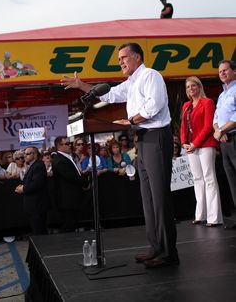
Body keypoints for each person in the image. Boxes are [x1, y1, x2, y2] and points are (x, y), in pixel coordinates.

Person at [61, 42, 179, 268]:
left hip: (156, 136)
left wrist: (131, 120)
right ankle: (156, 247)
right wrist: (81, 85)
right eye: (119, 60)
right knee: (148, 198)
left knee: (160, 197)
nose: (120, 62)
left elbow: (156, 104)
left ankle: (168, 252)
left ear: (137, 57)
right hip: (142, 139)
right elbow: (112, 95)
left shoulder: (150, 76)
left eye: (124, 58)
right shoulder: (132, 82)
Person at [180, 76, 223, 227]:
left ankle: (214, 218)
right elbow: (183, 126)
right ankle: (200, 215)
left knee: (209, 178)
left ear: (199, 87)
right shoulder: (186, 105)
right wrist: (184, 143)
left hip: (205, 145)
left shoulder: (208, 102)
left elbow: (207, 127)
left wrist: (195, 143)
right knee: (198, 179)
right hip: (191, 147)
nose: (190, 89)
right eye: (188, 87)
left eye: (193, 86)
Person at [213, 60, 236, 229]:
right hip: (224, 141)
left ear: (234, 71)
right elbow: (216, 118)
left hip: (234, 138)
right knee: (232, 180)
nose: (222, 73)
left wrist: (221, 130)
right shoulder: (222, 95)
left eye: (225, 70)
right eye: (220, 71)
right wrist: (218, 131)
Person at [52, 136, 89, 232]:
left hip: (72, 199)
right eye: (67, 144)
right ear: (59, 146)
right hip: (67, 200)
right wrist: (85, 181)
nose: (70, 146)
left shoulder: (67, 157)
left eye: (70, 143)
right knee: (68, 226)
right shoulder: (59, 160)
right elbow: (71, 177)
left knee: (72, 224)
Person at [15, 147, 48, 235]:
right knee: (37, 230)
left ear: (35, 155)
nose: (24, 156)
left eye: (27, 154)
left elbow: (37, 184)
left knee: (39, 231)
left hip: (37, 205)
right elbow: (30, 182)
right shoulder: (33, 165)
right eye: (24, 154)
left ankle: (43, 248)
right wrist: (22, 186)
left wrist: (23, 189)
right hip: (33, 205)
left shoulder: (38, 165)